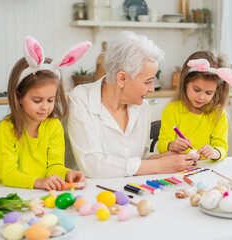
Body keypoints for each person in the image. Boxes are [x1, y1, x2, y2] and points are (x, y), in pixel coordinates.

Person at [66, 31, 198, 178]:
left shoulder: (142, 106)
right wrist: (160, 165)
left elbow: (138, 159)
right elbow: (93, 165)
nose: (152, 88)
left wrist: (163, 158)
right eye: (148, 81)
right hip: (89, 194)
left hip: (131, 190)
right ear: (122, 78)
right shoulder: (81, 99)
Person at [0, 36, 91, 190]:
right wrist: (39, 182)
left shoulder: (53, 127)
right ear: (18, 96)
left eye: (50, 100)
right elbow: (7, 174)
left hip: (38, 195)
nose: (45, 107)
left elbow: (54, 166)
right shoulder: (6, 130)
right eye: (37, 100)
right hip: (9, 195)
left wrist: (67, 173)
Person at [157, 51, 232, 160]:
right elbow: (161, 145)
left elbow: (222, 147)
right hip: (179, 168)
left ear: (216, 90)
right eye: (197, 90)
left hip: (206, 170)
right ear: (186, 82)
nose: (201, 97)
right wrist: (171, 145)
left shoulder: (218, 114)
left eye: (208, 93)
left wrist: (215, 152)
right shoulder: (172, 110)